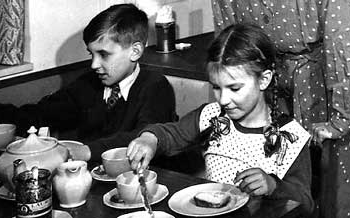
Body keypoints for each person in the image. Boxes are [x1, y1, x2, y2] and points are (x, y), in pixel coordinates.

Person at [210, 1, 350, 218]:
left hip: (327, 83)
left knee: (340, 188)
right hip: (268, 85)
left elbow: (340, 45)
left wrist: (340, 119)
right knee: (279, 187)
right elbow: (229, 41)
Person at [0, 4, 179, 164]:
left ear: (135, 51)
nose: (94, 64)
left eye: (104, 54)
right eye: (91, 55)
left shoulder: (156, 87)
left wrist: (85, 151)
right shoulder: (88, 85)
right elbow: (39, 114)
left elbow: (145, 138)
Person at [126, 24, 314, 215]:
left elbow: (305, 204)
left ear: (264, 80)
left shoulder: (290, 137)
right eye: (216, 87)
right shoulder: (212, 116)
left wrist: (274, 185)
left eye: (234, 88)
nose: (223, 99)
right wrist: (149, 139)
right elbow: (171, 134)